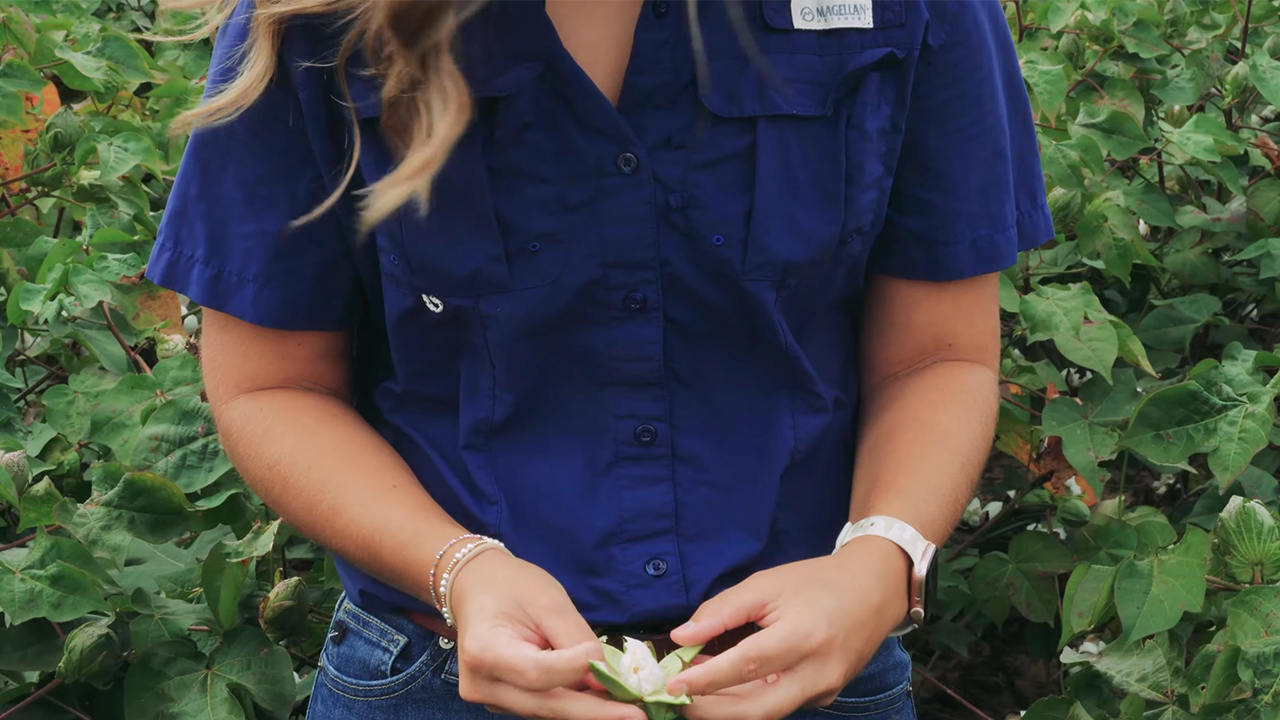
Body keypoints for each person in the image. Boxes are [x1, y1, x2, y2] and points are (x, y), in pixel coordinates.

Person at [148, 0, 1053, 718]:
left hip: (812, 686)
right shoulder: (323, 15)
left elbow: (936, 357)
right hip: (436, 677)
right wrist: (461, 570)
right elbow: (274, 384)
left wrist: (876, 565)